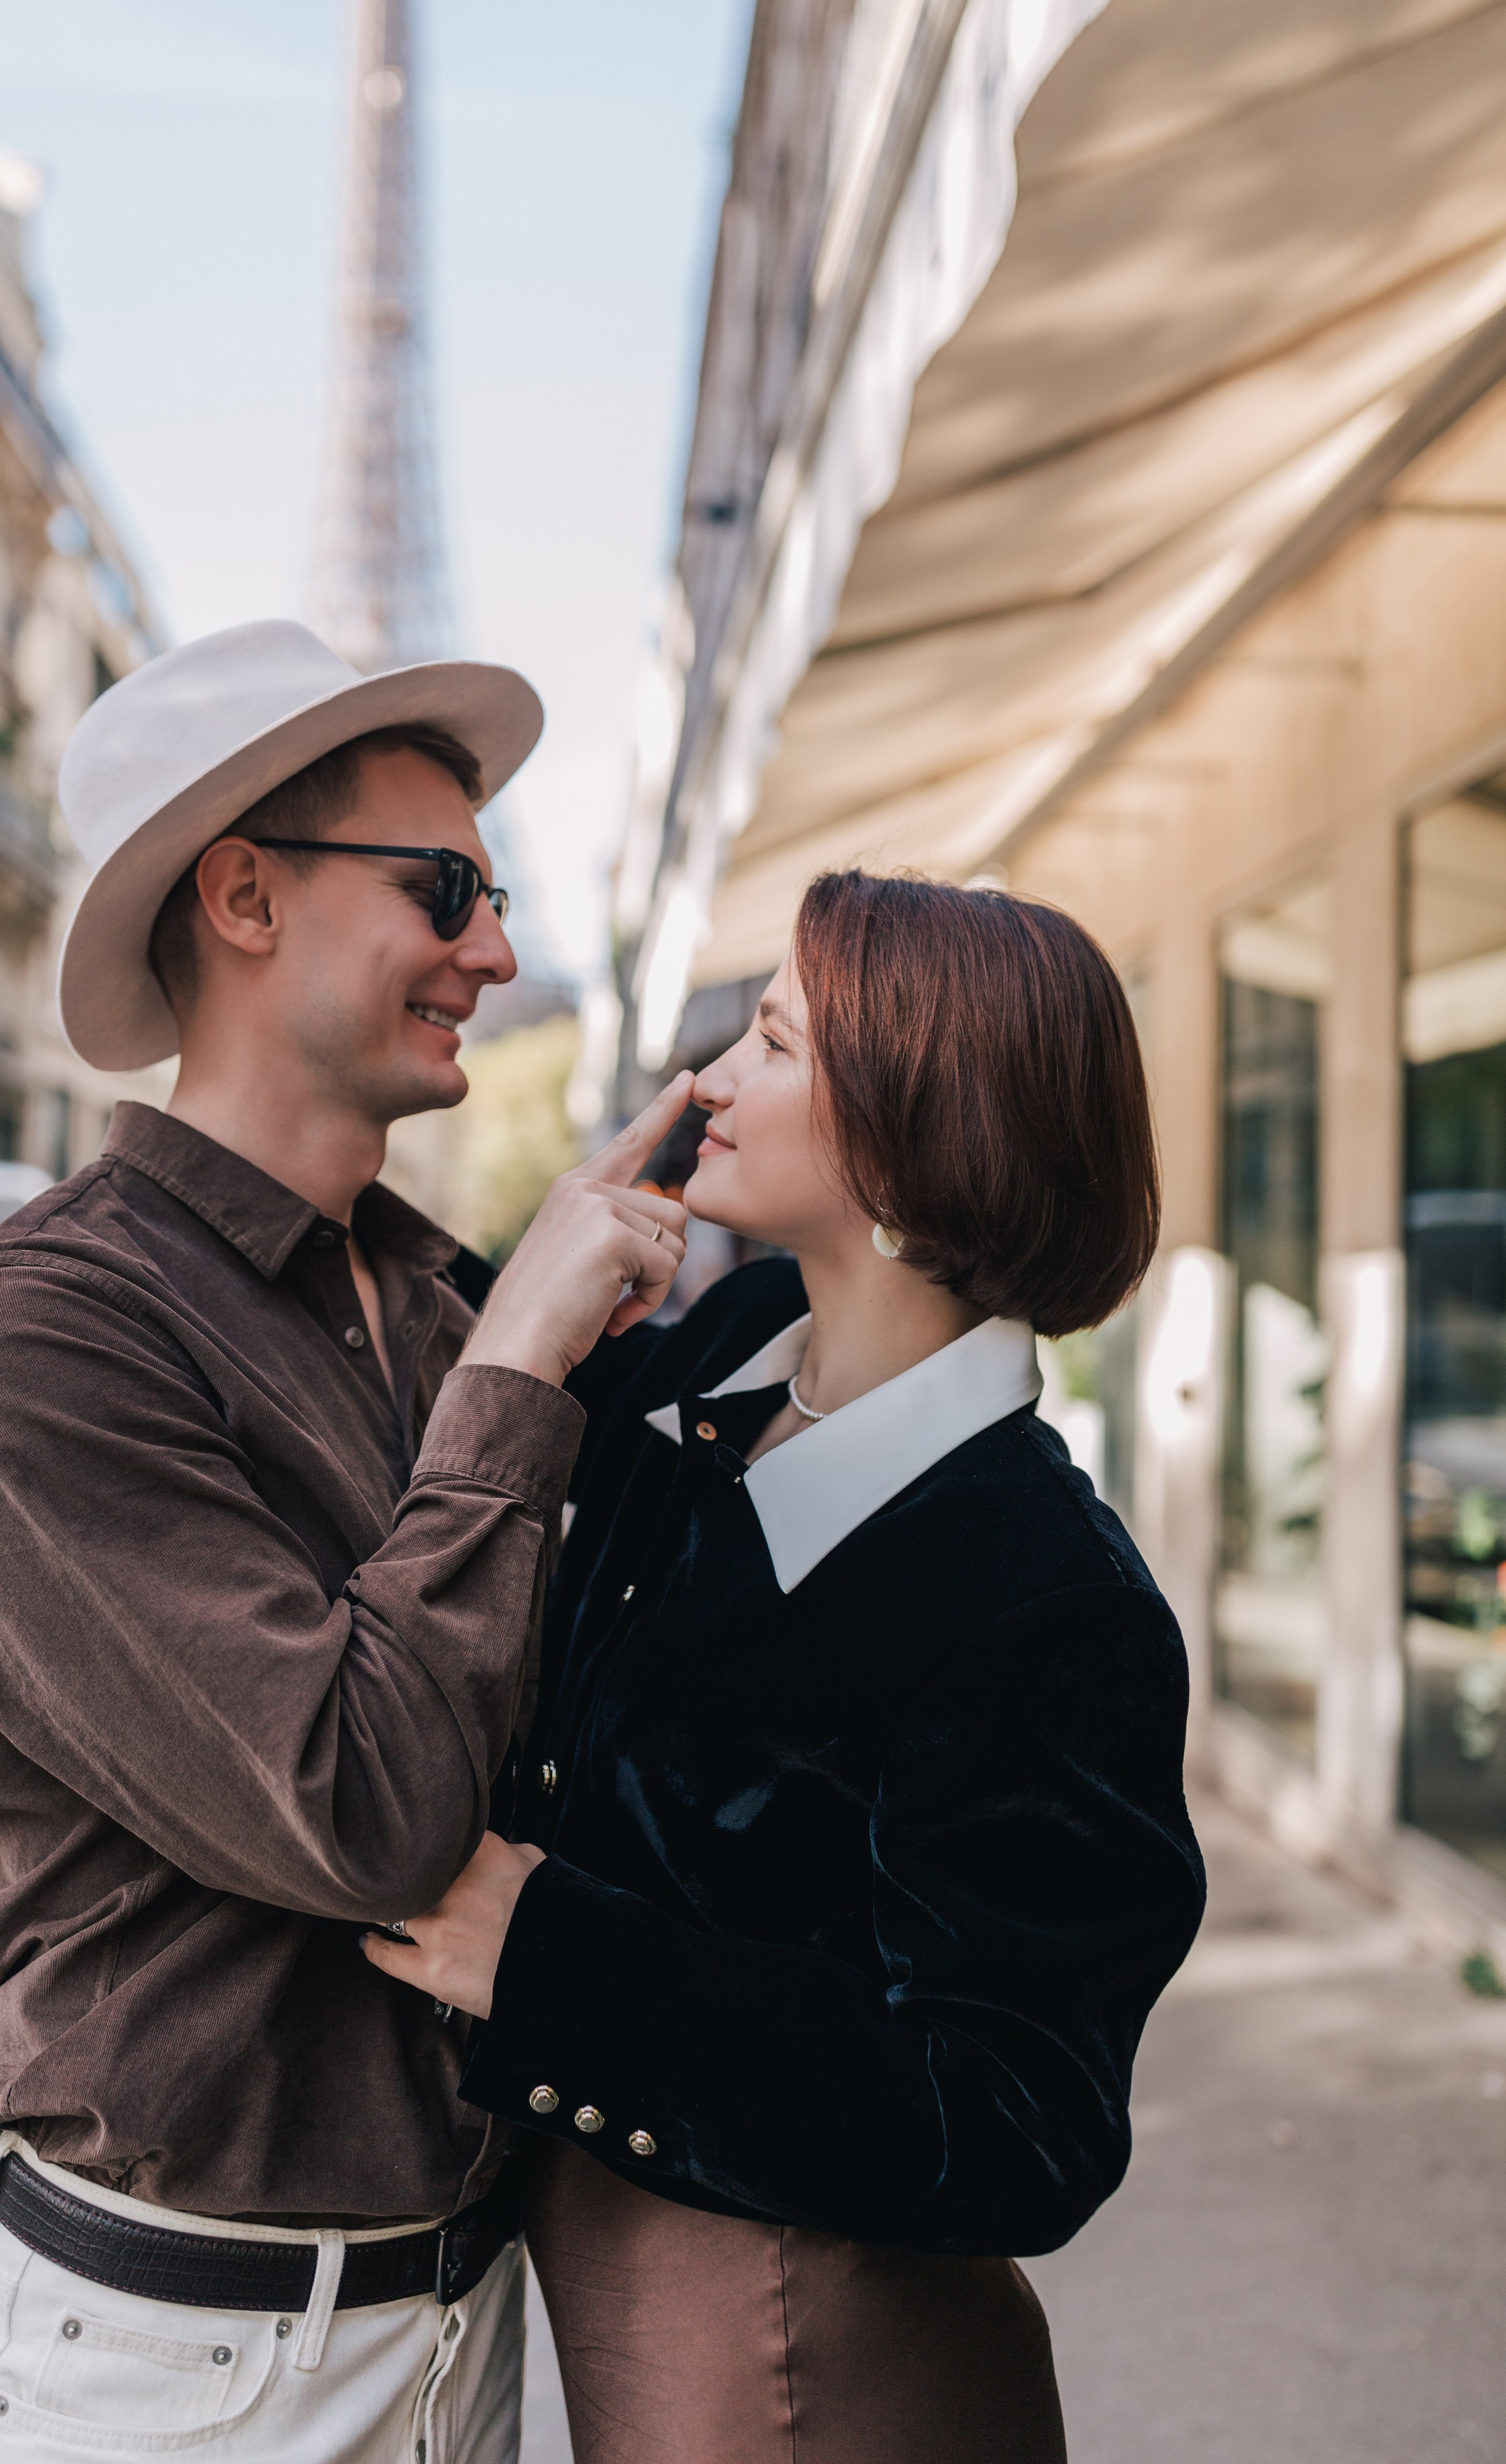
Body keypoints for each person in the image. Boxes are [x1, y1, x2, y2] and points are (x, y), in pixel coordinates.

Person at [0, 619, 692, 2464]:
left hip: (454, 2330)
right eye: (446, 888)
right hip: (161, 2376)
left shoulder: (426, 1298)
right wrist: (528, 1362)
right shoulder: (31, 1344)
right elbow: (367, 1807)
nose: (496, 949)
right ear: (244, 895)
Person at [365, 869, 1209, 2463]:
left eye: (768, 1043)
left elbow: (1018, 2122)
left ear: (904, 1130)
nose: (710, 1087)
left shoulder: (1049, 1596)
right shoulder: (704, 1361)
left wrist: (546, 1953)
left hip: (826, 2384)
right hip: (623, 2348)